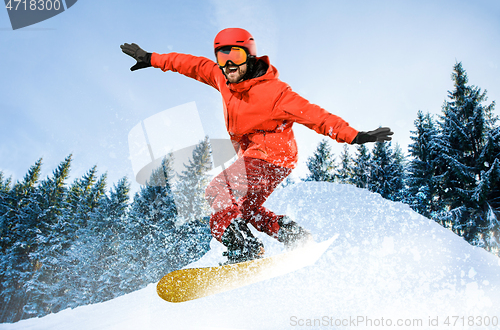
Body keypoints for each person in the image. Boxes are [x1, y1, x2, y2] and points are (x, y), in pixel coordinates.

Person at [121, 28, 393, 264]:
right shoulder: (223, 78)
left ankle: (246, 249)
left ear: (249, 57)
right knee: (245, 210)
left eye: (235, 56)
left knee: (218, 192)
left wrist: (354, 136)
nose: (228, 65)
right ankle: (293, 236)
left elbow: (316, 116)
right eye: (222, 58)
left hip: (271, 156)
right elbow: (191, 65)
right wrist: (152, 59)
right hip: (262, 159)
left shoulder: (276, 92)